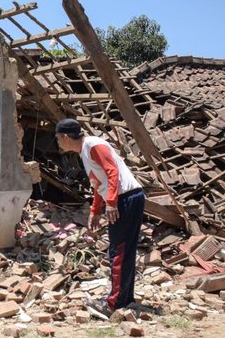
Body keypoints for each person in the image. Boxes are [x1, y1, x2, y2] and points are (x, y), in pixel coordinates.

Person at [55, 118, 145, 316]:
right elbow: (98, 183)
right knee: (124, 251)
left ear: (66, 137)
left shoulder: (94, 145)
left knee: (119, 251)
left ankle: (113, 304)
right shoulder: (85, 151)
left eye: (58, 138)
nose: (58, 143)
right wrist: (95, 211)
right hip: (126, 198)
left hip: (125, 199)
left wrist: (111, 203)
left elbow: (112, 172)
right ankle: (124, 300)